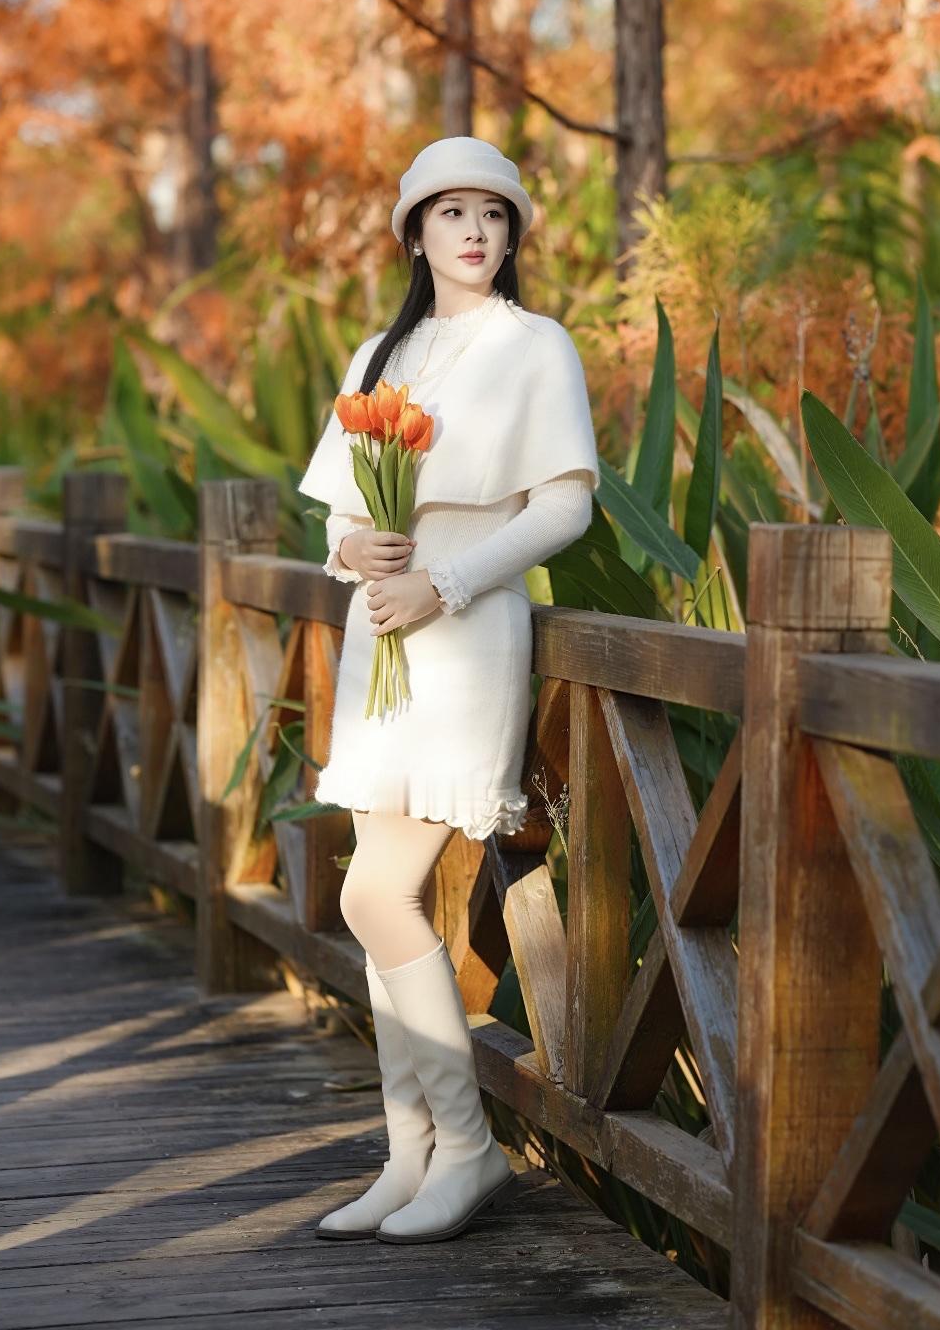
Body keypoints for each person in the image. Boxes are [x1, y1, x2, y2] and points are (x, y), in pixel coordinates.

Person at [297, 136, 598, 1247]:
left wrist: (448, 581)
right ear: (415, 233)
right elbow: (338, 511)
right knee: (388, 900)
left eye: (494, 213)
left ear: (512, 235)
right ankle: (408, 1152)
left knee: (373, 898)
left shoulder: (536, 345)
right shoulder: (382, 351)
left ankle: (468, 1150)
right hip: (383, 635)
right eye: (451, 211)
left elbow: (563, 505)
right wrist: (354, 550)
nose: (475, 230)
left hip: (467, 633)